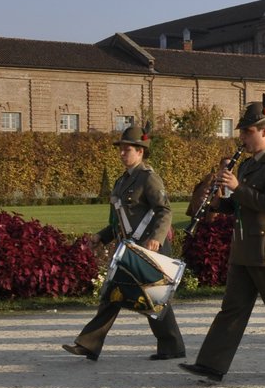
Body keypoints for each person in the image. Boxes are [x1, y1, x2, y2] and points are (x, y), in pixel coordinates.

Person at [180, 100, 265, 383]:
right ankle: (211, 364)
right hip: (244, 248)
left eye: (247, 132)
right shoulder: (248, 165)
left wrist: (237, 187)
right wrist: (214, 204)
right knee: (232, 309)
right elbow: (240, 205)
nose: (243, 138)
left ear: (264, 131)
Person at [63, 124, 186, 362]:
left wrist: (156, 240)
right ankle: (89, 344)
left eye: (126, 149)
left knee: (155, 299)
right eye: (120, 149)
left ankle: (172, 346)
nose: (121, 153)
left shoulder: (149, 178)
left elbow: (164, 211)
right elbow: (121, 221)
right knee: (112, 295)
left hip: (150, 248)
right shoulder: (122, 182)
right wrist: (102, 236)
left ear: (140, 151)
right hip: (130, 249)